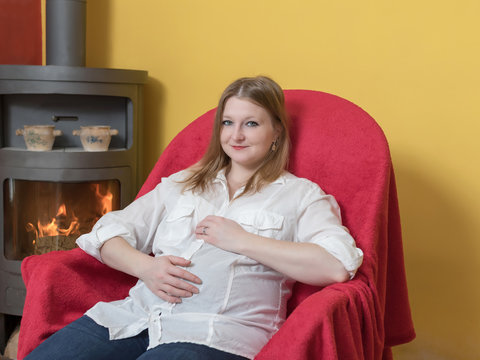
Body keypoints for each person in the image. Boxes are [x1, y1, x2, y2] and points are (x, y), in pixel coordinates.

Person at [25, 76, 363, 360]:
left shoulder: (302, 196)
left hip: (215, 334)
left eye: (251, 124)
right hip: (135, 317)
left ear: (276, 131)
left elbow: (335, 264)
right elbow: (107, 232)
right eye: (228, 123)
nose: (236, 136)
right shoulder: (184, 183)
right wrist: (146, 268)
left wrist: (242, 241)